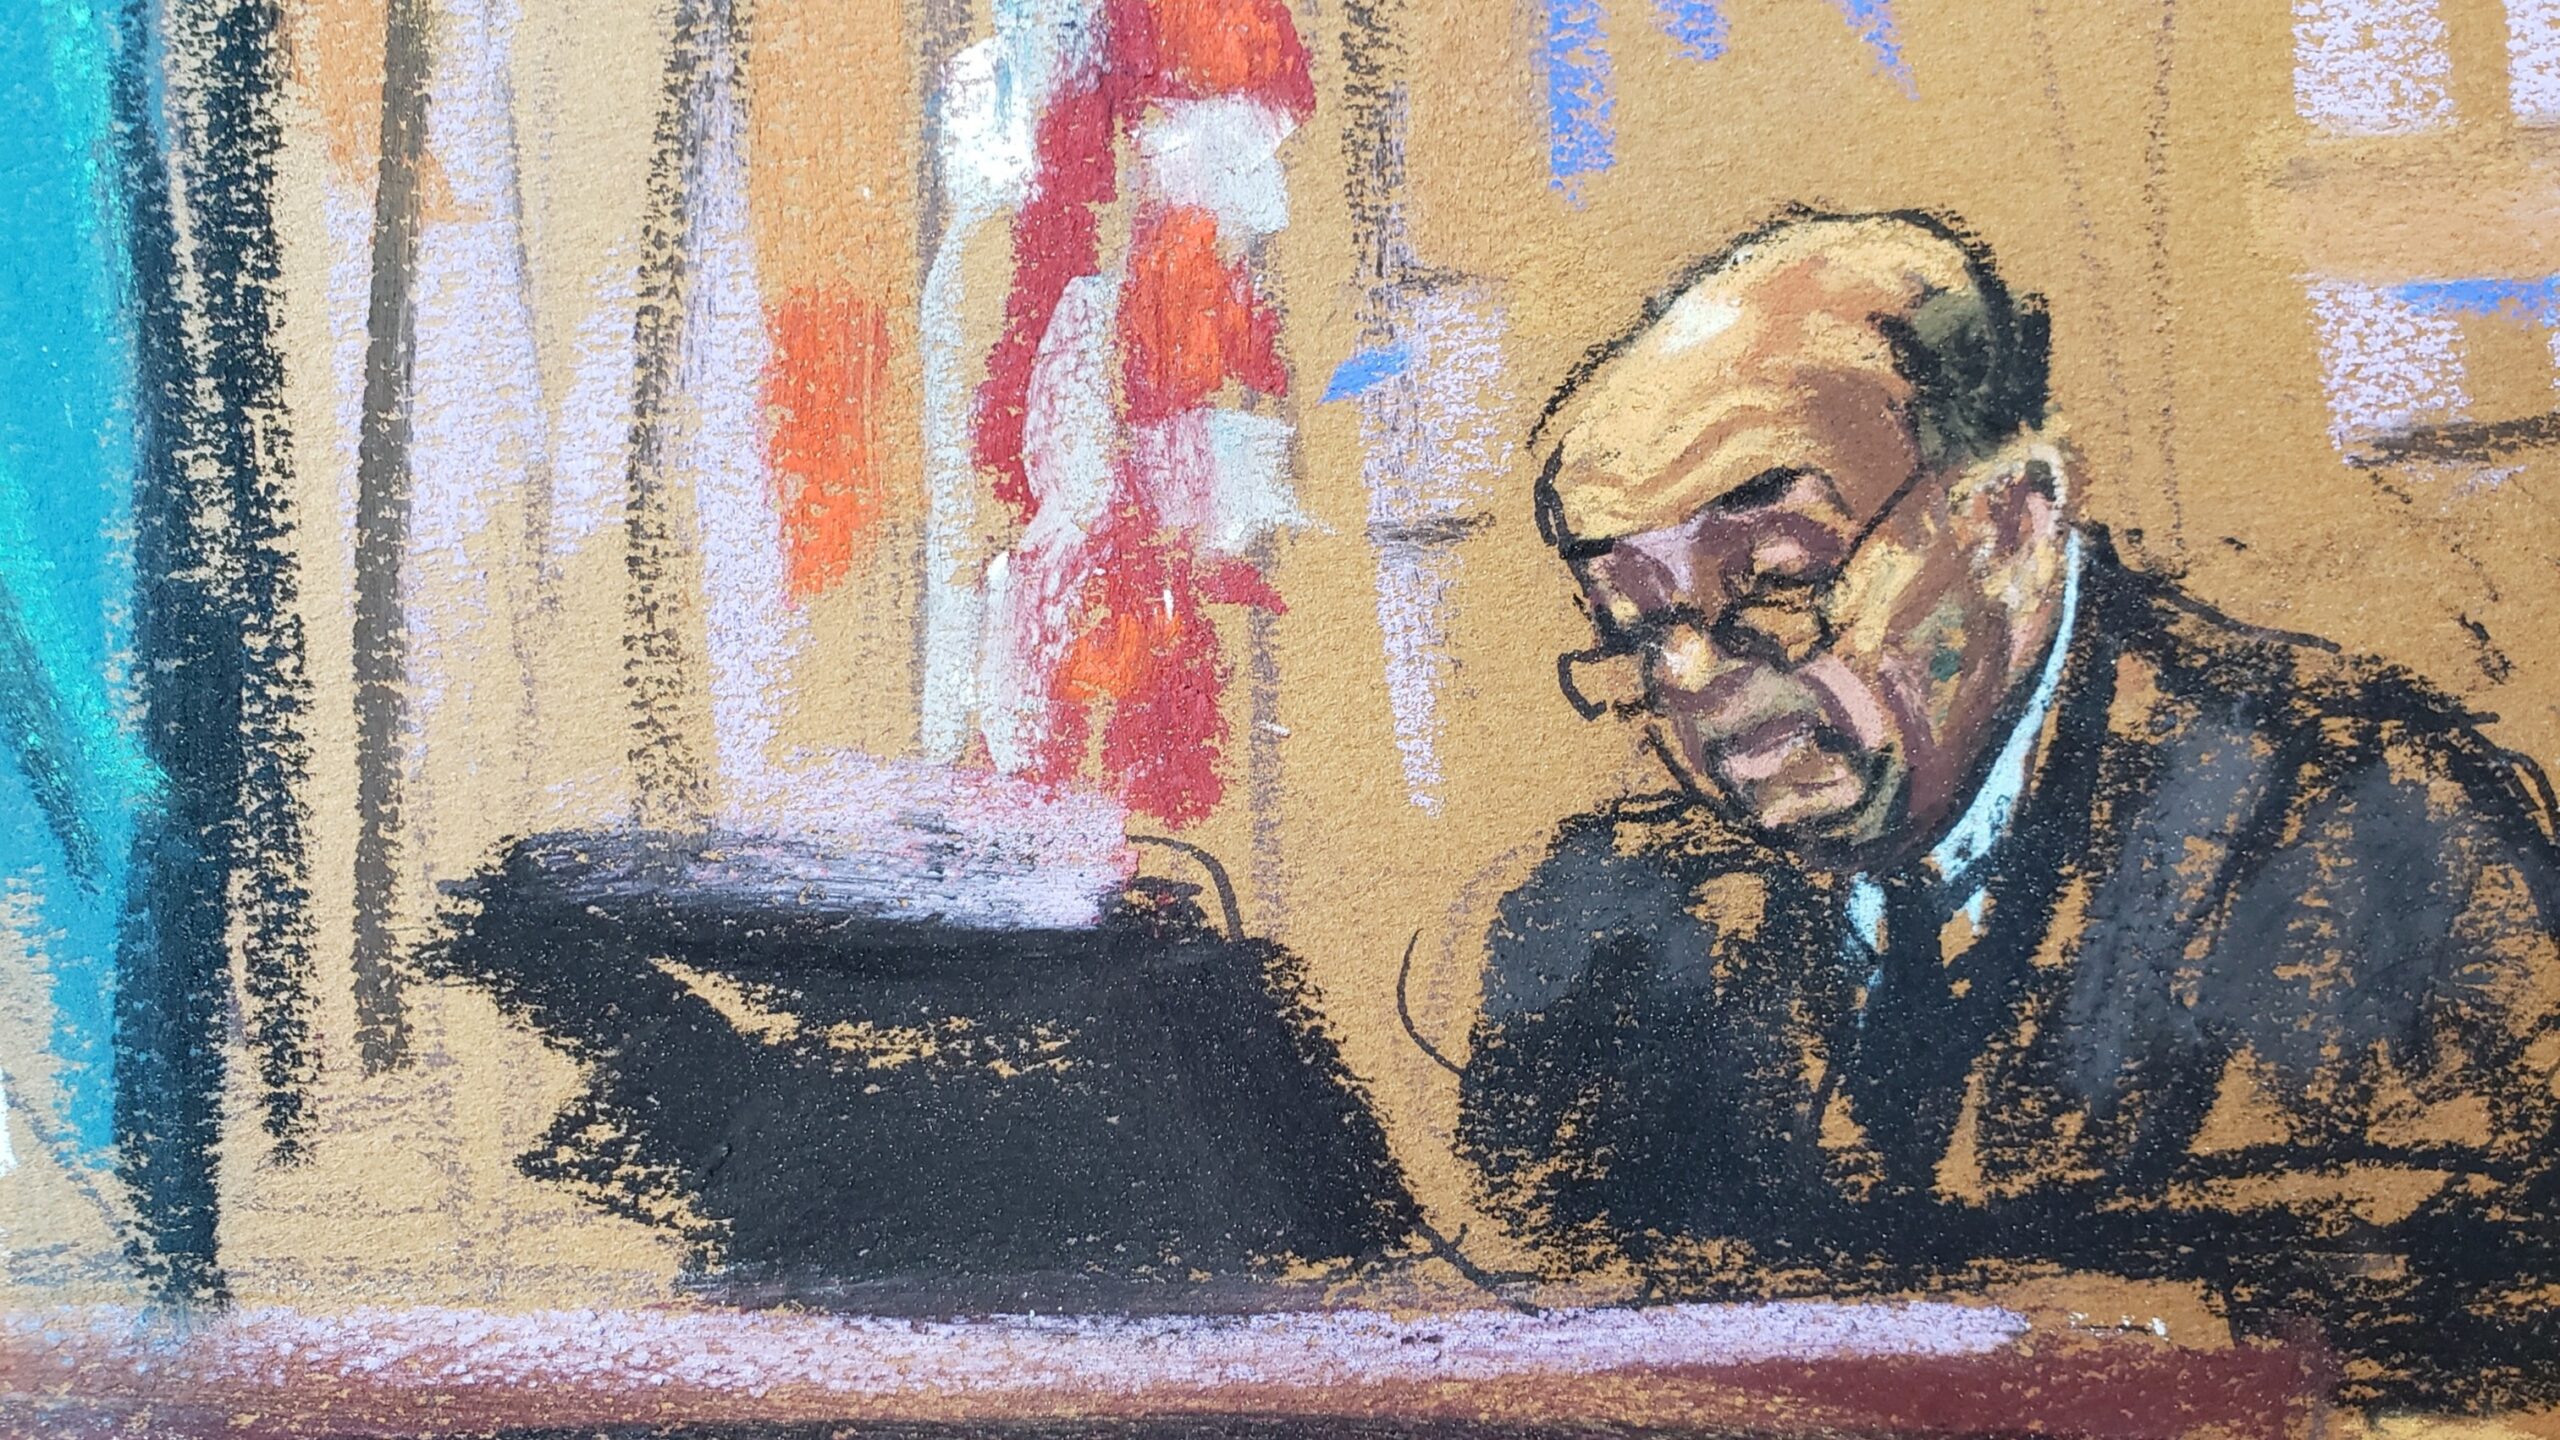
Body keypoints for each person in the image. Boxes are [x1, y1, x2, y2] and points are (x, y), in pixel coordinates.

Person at [1456, 207, 2560, 1410]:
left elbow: (2460, 1358)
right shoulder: (1600, 936)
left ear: (2011, 524)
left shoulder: (2373, 836)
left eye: (1775, 584)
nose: (1693, 684)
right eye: (1631, 632)